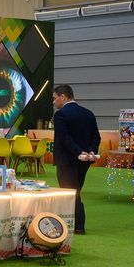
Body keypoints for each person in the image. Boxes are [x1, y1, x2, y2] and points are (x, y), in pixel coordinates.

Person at [51, 84, 100, 235]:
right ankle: (73, 224)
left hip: (67, 160)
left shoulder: (60, 115)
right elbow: (96, 137)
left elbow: (64, 138)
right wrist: (91, 151)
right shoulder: (88, 113)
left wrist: (79, 152)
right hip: (84, 161)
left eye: (55, 98)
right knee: (76, 191)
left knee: (70, 193)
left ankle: (78, 225)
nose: (53, 102)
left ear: (63, 97)